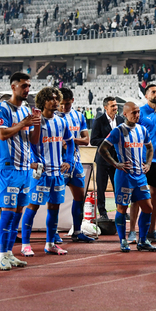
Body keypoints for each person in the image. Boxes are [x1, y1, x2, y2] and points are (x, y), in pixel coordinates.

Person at [20, 87, 75, 257]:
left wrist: (69, 160)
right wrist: (32, 163)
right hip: (41, 173)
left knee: (54, 207)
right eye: (51, 98)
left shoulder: (62, 121)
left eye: (56, 98)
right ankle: (25, 244)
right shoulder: (35, 121)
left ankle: (50, 244)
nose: (56, 101)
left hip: (57, 173)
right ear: (43, 101)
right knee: (32, 206)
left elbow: (70, 142)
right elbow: (26, 144)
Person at [0, 72, 41, 270]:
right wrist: (23, 124)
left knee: (18, 213)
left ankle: (10, 253)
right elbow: (3, 134)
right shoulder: (2, 108)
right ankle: (2, 254)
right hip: (8, 168)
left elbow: (33, 140)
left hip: (24, 169)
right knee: (8, 212)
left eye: (29, 86)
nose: (27, 89)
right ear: (13, 87)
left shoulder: (27, 110)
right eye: (23, 86)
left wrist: (37, 124)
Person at [98, 102, 156, 252]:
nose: (137, 115)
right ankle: (123, 240)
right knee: (122, 208)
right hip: (124, 176)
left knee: (148, 208)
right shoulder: (118, 131)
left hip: (140, 176)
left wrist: (148, 163)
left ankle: (142, 240)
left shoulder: (142, 130)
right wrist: (116, 163)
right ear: (124, 114)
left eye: (138, 112)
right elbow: (102, 149)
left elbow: (150, 147)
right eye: (134, 113)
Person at [129, 84, 156, 244]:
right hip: (140, 161)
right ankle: (132, 232)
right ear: (146, 95)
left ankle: (151, 231)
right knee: (136, 197)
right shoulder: (139, 113)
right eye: (153, 92)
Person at [57, 88, 94, 243]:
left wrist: (70, 140)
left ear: (72, 100)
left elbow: (86, 140)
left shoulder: (78, 116)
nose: (64, 107)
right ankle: (52, 233)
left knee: (80, 198)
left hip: (75, 163)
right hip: (58, 164)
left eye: (67, 104)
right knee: (55, 201)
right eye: (61, 104)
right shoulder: (53, 117)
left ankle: (77, 231)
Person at [91, 97, 124, 220]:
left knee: (118, 186)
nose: (115, 108)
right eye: (112, 106)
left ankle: (120, 211)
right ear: (106, 107)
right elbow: (93, 140)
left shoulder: (121, 120)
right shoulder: (99, 121)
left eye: (116, 105)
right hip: (102, 160)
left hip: (116, 160)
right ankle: (102, 212)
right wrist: (108, 141)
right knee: (101, 187)